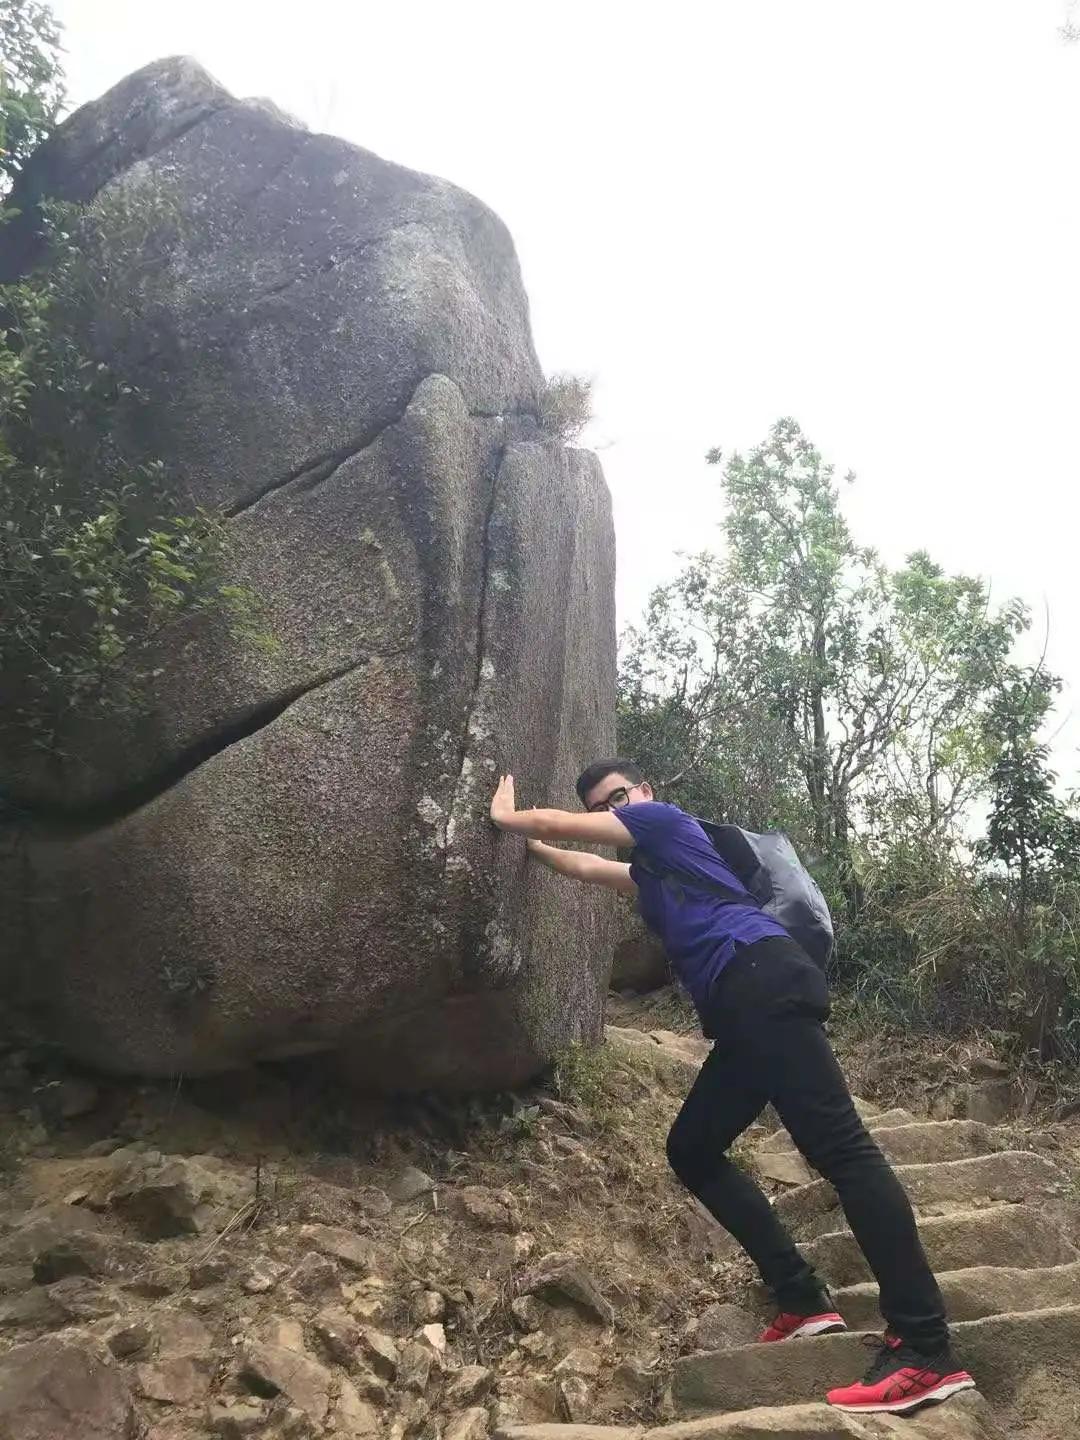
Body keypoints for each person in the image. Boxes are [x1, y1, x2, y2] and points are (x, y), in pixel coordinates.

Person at [489, 759, 976, 1416]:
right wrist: (530, 846)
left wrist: (504, 814)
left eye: (619, 798)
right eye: (605, 805)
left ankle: (925, 1349)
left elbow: (559, 822)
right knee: (692, 1147)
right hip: (745, 1009)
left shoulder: (666, 824)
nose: (616, 809)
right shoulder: (654, 874)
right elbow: (579, 864)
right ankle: (801, 1299)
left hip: (762, 979)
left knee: (844, 1152)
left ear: (645, 796)